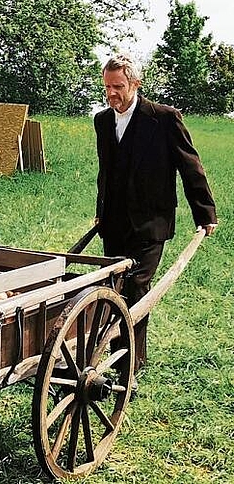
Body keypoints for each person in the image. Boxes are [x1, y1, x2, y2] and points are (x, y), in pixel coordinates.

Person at [94, 54, 218, 370]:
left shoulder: (163, 118)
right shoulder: (103, 121)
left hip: (151, 223)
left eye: (118, 87)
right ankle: (123, 354)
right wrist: (101, 211)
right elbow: (105, 172)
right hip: (114, 223)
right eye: (107, 87)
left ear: (135, 84)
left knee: (136, 288)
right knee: (113, 288)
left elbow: (190, 166)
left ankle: (129, 365)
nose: (111, 94)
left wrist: (205, 214)